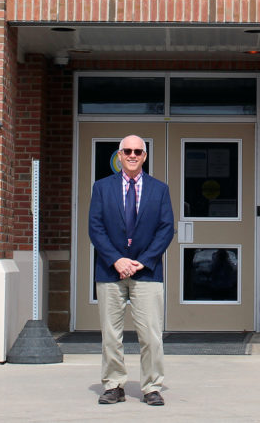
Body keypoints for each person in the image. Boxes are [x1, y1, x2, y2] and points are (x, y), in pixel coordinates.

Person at [88, 134, 175, 406]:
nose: (133, 155)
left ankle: (151, 387)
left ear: (145, 156)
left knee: (150, 334)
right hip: (110, 271)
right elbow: (95, 227)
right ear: (119, 154)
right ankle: (114, 385)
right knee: (111, 335)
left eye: (138, 151)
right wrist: (116, 259)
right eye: (128, 150)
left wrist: (144, 260)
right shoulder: (101, 188)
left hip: (147, 272)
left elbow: (165, 229)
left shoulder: (159, 189)